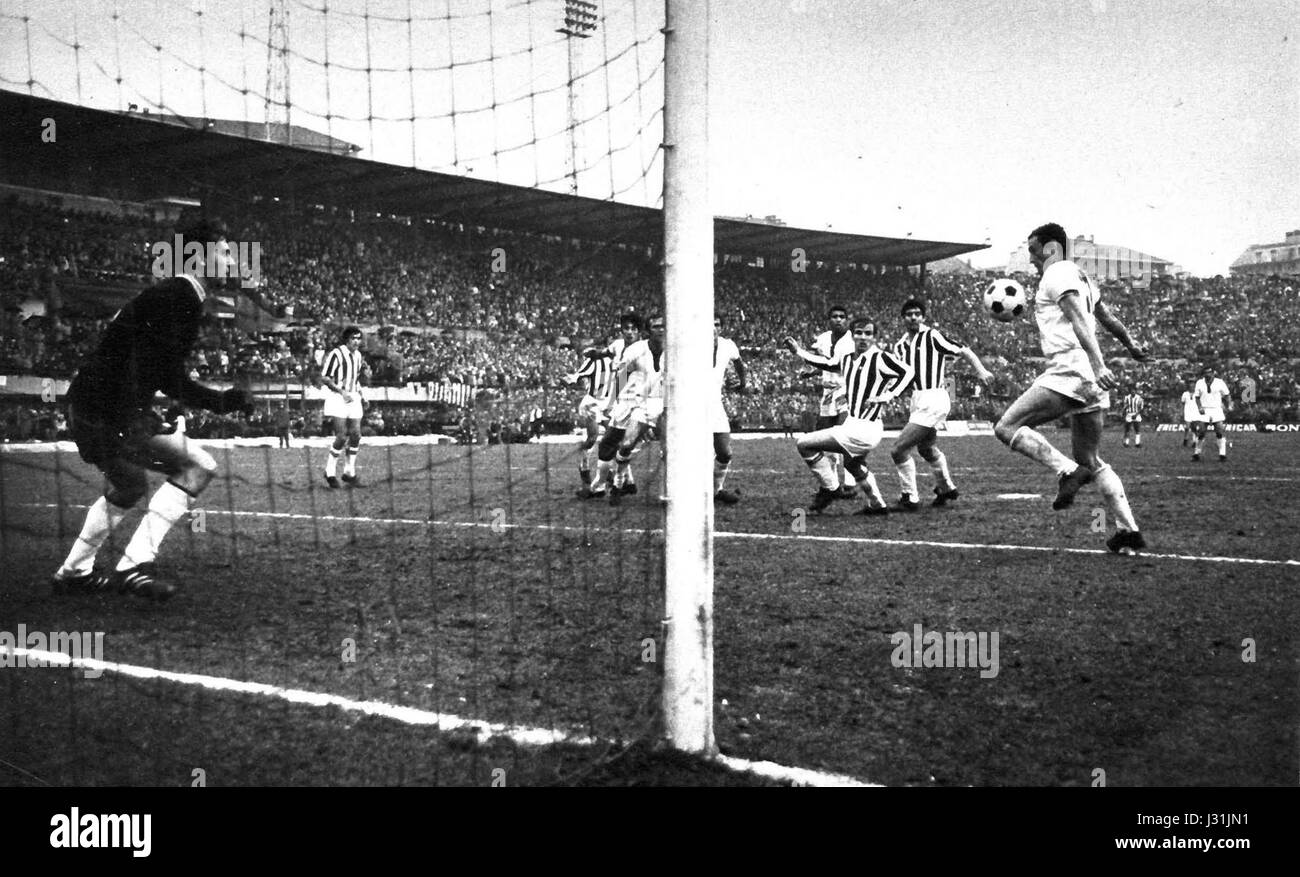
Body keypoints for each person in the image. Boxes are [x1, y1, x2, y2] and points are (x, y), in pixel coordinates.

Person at [50, 221, 254, 601]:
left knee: (129, 486)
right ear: (197, 256)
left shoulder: (173, 293)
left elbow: (148, 366)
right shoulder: (182, 296)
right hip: (109, 410)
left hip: (93, 403)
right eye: (225, 252)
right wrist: (220, 401)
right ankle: (134, 566)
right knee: (198, 467)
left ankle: (73, 572)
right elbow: (165, 373)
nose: (231, 260)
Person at [992, 222, 1149, 555]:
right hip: (1088, 378)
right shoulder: (1082, 276)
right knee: (1089, 458)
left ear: (1050, 249)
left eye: (1033, 250)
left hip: (1071, 370)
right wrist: (1131, 346)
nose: (1031, 258)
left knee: (1006, 427)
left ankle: (1066, 473)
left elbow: (1079, 318)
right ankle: (1128, 530)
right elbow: (1106, 318)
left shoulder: (1057, 273)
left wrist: (1098, 364)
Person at [784, 318, 913, 515]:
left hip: (865, 428)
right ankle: (877, 505)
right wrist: (798, 351)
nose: (863, 337)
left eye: (868, 333)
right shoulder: (847, 358)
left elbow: (908, 372)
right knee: (853, 464)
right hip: (853, 424)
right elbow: (826, 363)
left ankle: (831, 488)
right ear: (852, 335)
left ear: (874, 337)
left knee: (804, 444)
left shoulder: (880, 358)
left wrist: (888, 395)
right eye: (859, 332)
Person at [888, 298, 994, 510]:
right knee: (926, 448)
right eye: (909, 314)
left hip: (934, 397)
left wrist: (981, 370)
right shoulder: (900, 345)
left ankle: (910, 497)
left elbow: (963, 350)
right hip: (917, 398)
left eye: (918, 314)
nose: (914, 317)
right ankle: (946, 488)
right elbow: (899, 372)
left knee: (898, 450)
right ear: (903, 318)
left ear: (923, 317)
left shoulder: (932, 336)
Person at [596, 314, 665, 505]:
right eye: (656, 326)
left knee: (670, 450)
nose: (661, 329)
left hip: (667, 404)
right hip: (643, 404)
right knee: (626, 444)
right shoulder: (636, 350)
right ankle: (618, 484)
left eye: (663, 326)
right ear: (648, 331)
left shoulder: (675, 349)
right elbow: (622, 376)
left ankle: (669, 492)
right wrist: (611, 402)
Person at [573, 314, 641, 497]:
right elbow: (605, 352)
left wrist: (610, 401)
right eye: (626, 328)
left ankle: (605, 486)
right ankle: (623, 484)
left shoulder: (642, 350)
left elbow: (624, 376)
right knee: (616, 444)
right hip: (621, 403)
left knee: (617, 444)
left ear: (640, 332)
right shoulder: (618, 345)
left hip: (637, 404)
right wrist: (593, 353)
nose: (629, 332)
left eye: (634, 328)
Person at [807, 306, 858, 497]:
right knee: (825, 440)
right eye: (834, 317)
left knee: (845, 436)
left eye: (842, 317)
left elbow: (842, 364)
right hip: (827, 392)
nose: (838, 320)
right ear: (829, 319)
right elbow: (824, 361)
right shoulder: (823, 338)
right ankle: (833, 484)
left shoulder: (852, 339)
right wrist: (812, 372)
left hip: (845, 389)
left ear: (847, 319)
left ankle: (851, 483)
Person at [320, 326, 368, 488]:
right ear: (347, 340)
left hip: (353, 396)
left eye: (358, 338)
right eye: (353, 338)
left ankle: (349, 472)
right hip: (338, 397)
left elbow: (355, 379)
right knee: (341, 437)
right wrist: (341, 391)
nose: (356, 342)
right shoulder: (337, 354)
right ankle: (330, 471)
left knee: (356, 434)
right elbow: (325, 378)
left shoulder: (358, 356)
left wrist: (362, 395)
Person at [710, 316, 747, 504]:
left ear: (721, 327)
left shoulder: (728, 345)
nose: (713, 328)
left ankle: (716, 490)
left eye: (716, 324)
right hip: (691, 406)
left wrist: (743, 383)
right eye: (709, 324)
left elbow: (739, 363)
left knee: (725, 452)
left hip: (715, 405)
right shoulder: (689, 345)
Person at [1192, 365, 1232, 462]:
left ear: (1213, 372)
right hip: (1205, 409)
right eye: (1206, 372)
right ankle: (1196, 453)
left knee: (1219, 431)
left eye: (1209, 372)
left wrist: (1229, 405)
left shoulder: (1219, 382)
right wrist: (1200, 407)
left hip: (1216, 409)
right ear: (1203, 373)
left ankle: (1222, 454)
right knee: (1201, 432)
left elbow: (1227, 395)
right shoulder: (1199, 383)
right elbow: (1197, 397)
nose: (1208, 374)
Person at [1179, 377, 1203, 448]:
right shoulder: (1185, 394)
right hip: (1188, 412)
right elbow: (1182, 403)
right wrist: (1182, 411)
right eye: (1190, 384)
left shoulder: (1197, 393)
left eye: (1193, 384)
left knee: (1194, 428)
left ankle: (1195, 441)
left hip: (1195, 412)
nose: (1191, 386)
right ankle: (1185, 440)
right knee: (1187, 427)